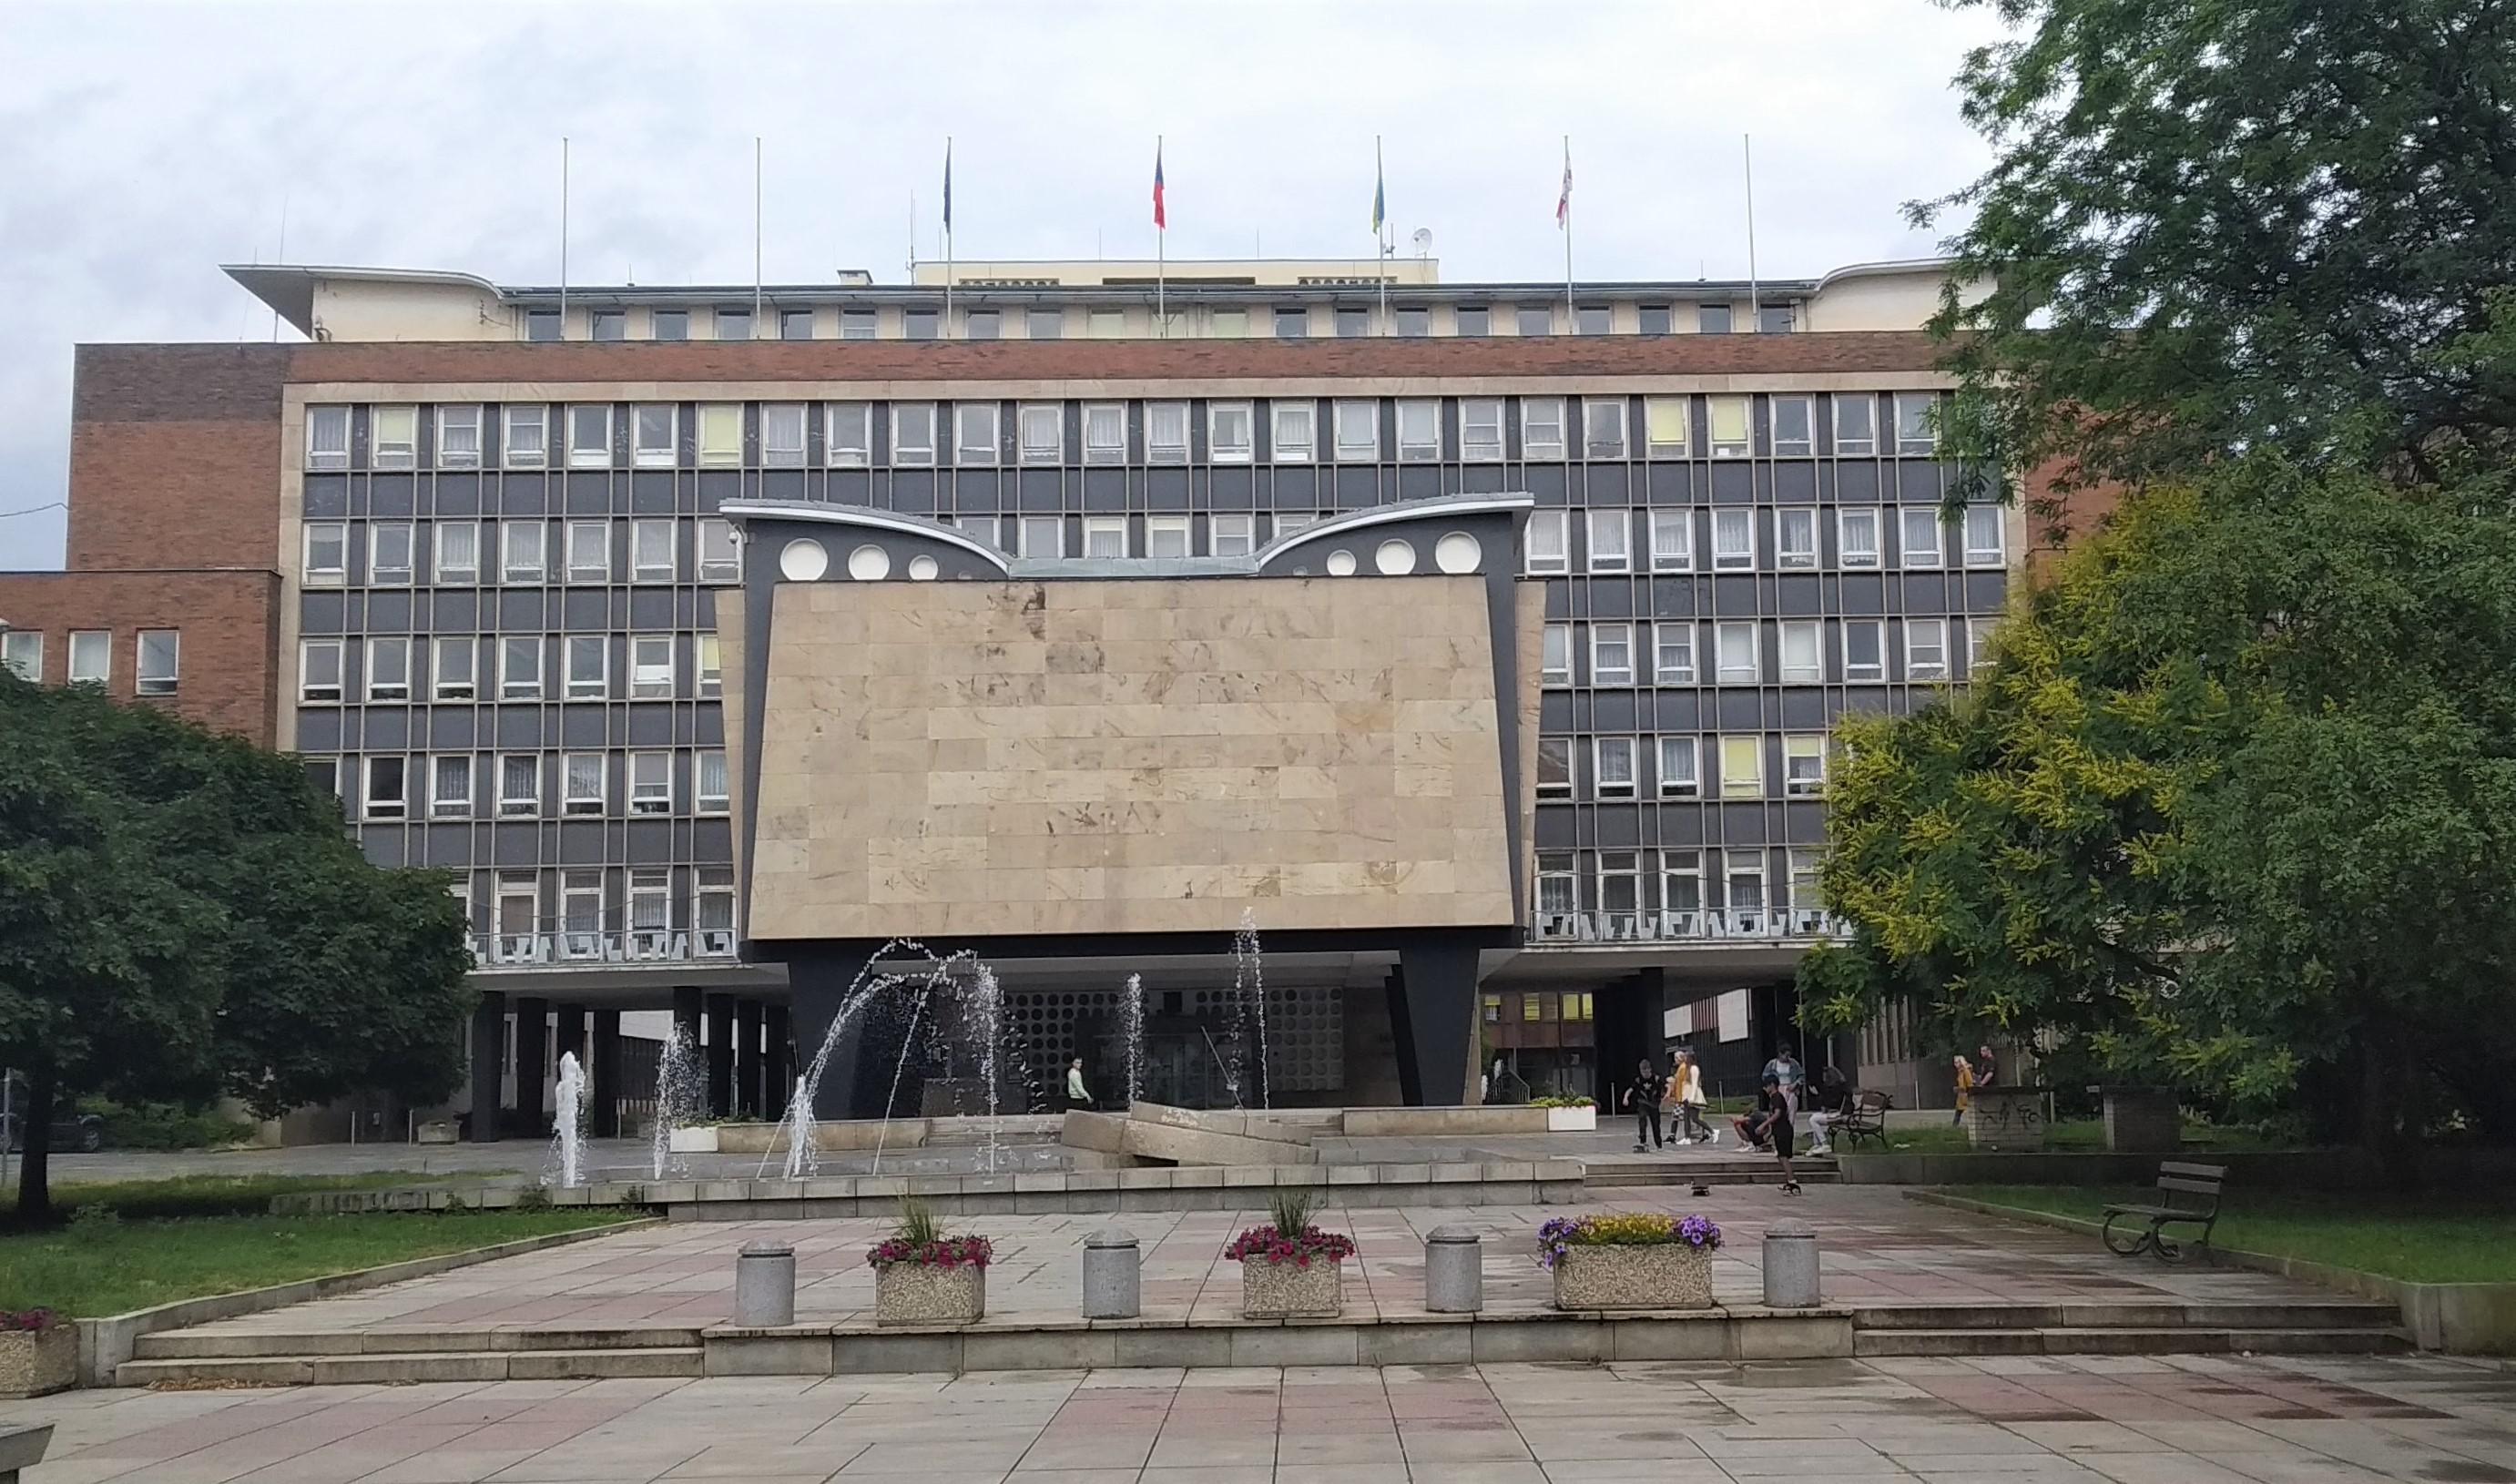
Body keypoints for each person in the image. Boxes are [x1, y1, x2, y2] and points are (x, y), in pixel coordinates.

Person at [1747, 1072, 1801, 1194]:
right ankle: (1789, 1180)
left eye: (1766, 1086)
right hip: (1779, 1130)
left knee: (1783, 1156)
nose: (1765, 1089)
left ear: (1772, 1085)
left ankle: (1793, 1182)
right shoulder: (1773, 1098)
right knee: (1781, 1157)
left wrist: (1763, 1125)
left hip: (1784, 1131)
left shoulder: (1777, 1097)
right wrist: (1769, 1133)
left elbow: (1777, 1114)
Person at [1805, 1066, 1852, 1155]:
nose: (1823, 1078)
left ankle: (1824, 1144)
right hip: (1837, 1113)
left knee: (1813, 1119)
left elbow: (1828, 1104)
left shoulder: (1835, 1089)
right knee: (1814, 1116)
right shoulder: (1841, 1086)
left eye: (1825, 1076)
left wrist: (1817, 1094)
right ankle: (1817, 1144)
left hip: (1838, 1114)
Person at [1673, 1049, 1715, 1145]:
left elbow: (1695, 1084)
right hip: (1686, 1095)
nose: (1685, 1059)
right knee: (1686, 1117)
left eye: (1686, 1057)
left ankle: (1712, 1131)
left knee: (1694, 1118)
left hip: (1692, 1096)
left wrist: (1692, 1097)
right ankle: (1687, 1138)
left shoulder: (1694, 1068)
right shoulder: (1688, 1068)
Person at [1625, 1057, 1666, 1152]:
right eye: (1643, 1072)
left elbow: (1666, 1086)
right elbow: (1630, 1089)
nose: (1645, 1074)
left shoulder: (1656, 1078)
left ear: (1650, 1070)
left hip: (1654, 1104)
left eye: (1646, 1072)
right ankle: (1643, 1141)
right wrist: (1626, 1097)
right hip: (1643, 1102)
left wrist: (1666, 1095)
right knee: (1642, 1120)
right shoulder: (1638, 1080)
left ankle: (1659, 1145)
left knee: (1656, 1125)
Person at [1762, 1044, 1807, 1113]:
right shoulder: (1772, 1064)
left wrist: (1796, 1084)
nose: (1788, 1058)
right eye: (1786, 1055)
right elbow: (1765, 1077)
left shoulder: (1793, 1063)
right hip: (1778, 1088)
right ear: (1780, 1054)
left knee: (1791, 1109)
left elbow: (1801, 1076)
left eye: (1789, 1055)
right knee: (1778, 1109)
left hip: (1790, 1088)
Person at [1951, 1052, 1975, 1126]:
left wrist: (1961, 1089)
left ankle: (1957, 1126)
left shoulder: (1965, 1071)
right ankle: (1955, 1127)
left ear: (1961, 1062)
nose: (1955, 1065)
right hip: (1961, 1096)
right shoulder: (1960, 1072)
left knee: (1966, 1111)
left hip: (1965, 1095)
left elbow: (1969, 1083)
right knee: (1958, 1112)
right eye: (1954, 1063)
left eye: (1956, 1063)